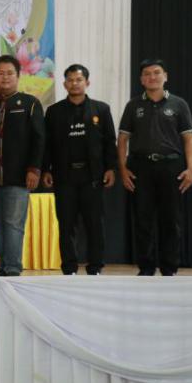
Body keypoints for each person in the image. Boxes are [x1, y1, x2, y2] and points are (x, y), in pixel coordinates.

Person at [118, 59, 192, 276]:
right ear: (141, 79)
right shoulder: (133, 105)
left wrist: (191, 169)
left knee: (170, 220)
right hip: (140, 168)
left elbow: (189, 139)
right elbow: (122, 139)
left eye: (156, 72)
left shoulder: (179, 104)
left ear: (165, 76)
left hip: (171, 167)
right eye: (147, 74)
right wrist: (123, 169)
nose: (152, 77)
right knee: (143, 220)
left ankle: (169, 268)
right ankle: (146, 268)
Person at [42, 64, 117, 275]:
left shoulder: (101, 109)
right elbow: (47, 144)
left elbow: (109, 142)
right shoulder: (54, 111)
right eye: (70, 80)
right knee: (66, 225)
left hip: (92, 176)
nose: (74, 83)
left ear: (87, 82)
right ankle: (69, 268)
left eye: (79, 79)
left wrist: (111, 168)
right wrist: (46, 169)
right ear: (64, 84)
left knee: (95, 225)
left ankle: (95, 267)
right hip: (64, 177)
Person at [0, 55, 45, 276]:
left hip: (19, 177)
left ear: (18, 76)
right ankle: (3, 266)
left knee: (13, 224)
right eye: (0, 73)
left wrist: (34, 169)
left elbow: (39, 139)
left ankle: (12, 268)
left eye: (9, 73)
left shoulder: (30, 103)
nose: (5, 77)